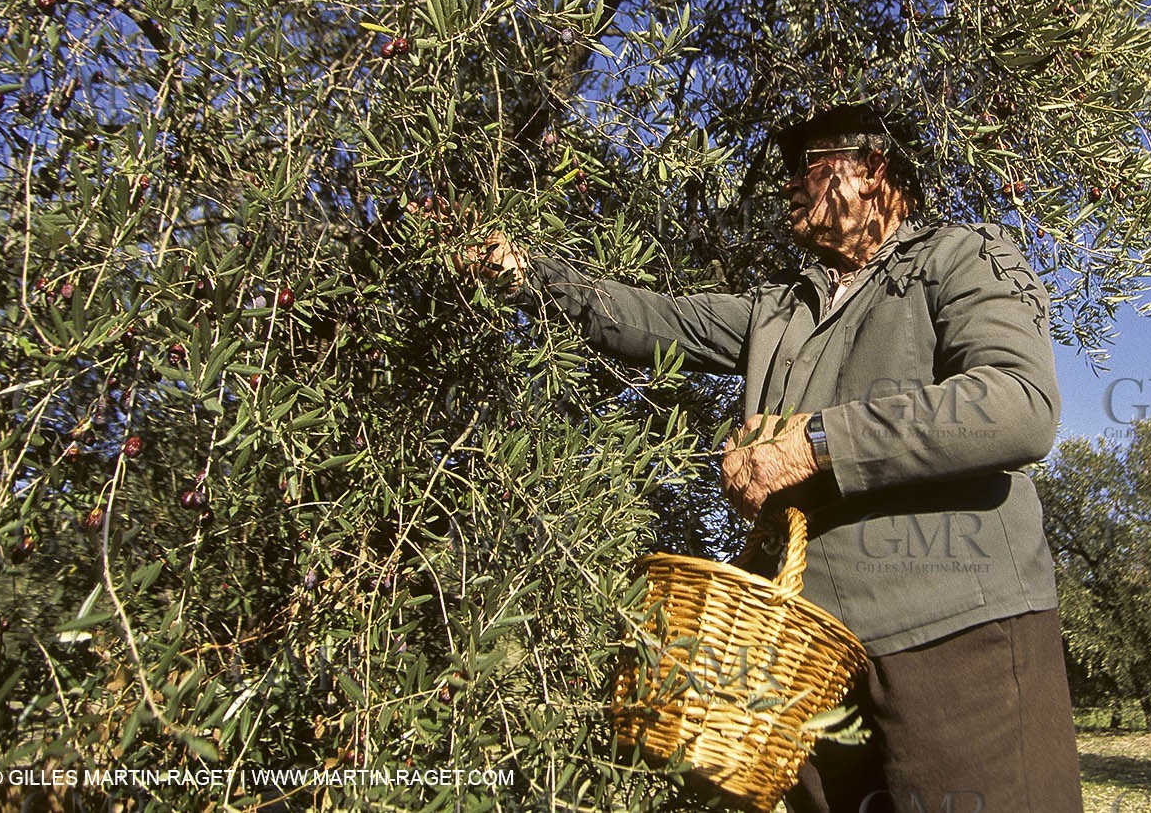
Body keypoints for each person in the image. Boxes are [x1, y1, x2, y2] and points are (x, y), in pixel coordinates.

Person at [438, 104, 1082, 813]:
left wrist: (816, 442)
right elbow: (650, 317)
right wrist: (523, 273)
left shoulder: (959, 255)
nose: (788, 187)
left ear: (871, 170)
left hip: (963, 639)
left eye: (808, 166)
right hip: (810, 664)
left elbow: (1019, 404)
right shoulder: (780, 308)